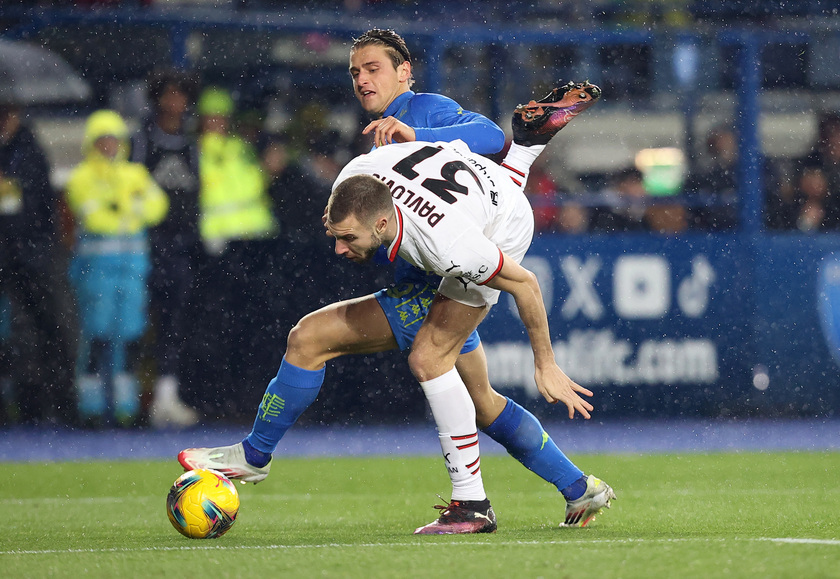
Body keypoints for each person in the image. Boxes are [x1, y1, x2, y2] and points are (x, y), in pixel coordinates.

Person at [179, 76, 614, 534]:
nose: (340, 251)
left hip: (498, 230)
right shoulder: (356, 175)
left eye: (348, 239)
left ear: (383, 221)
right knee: (480, 402)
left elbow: (524, 285)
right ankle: (579, 488)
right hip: (479, 186)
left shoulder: (449, 246)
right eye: (335, 235)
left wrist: (545, 364)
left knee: (414, 353)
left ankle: (471, 506)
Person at [65, 110, 169, 427]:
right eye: (103, 139)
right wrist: (131, 211)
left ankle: (124, 407)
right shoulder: (81, 176)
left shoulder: (134, 173)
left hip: (132, 271)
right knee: (96, 339)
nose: (109, 145)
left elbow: (159, 206)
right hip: (95, 273)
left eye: (113, 139)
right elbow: (93, 216)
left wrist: (119, 210)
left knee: (127, 338)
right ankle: (92, 409)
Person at [131, 67, 201, 428]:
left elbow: (197, 192)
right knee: (136, 323)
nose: (175, 103)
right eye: (168, 95)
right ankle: (130, 398)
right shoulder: (141, 139)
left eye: (181, 95)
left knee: (175, 323)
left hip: (180, 247)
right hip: (144, 245)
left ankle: (166, 395)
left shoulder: (191, 145)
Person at [0, 98, 76, 425]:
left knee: (44, 331)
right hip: (17, 255)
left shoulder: (29, 152)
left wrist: (40, 251)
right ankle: (27, 404)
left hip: (31, 259)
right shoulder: (25, 150)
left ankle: (49, 404)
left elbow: (40, 207)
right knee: (22, 335)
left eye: (8, 114)